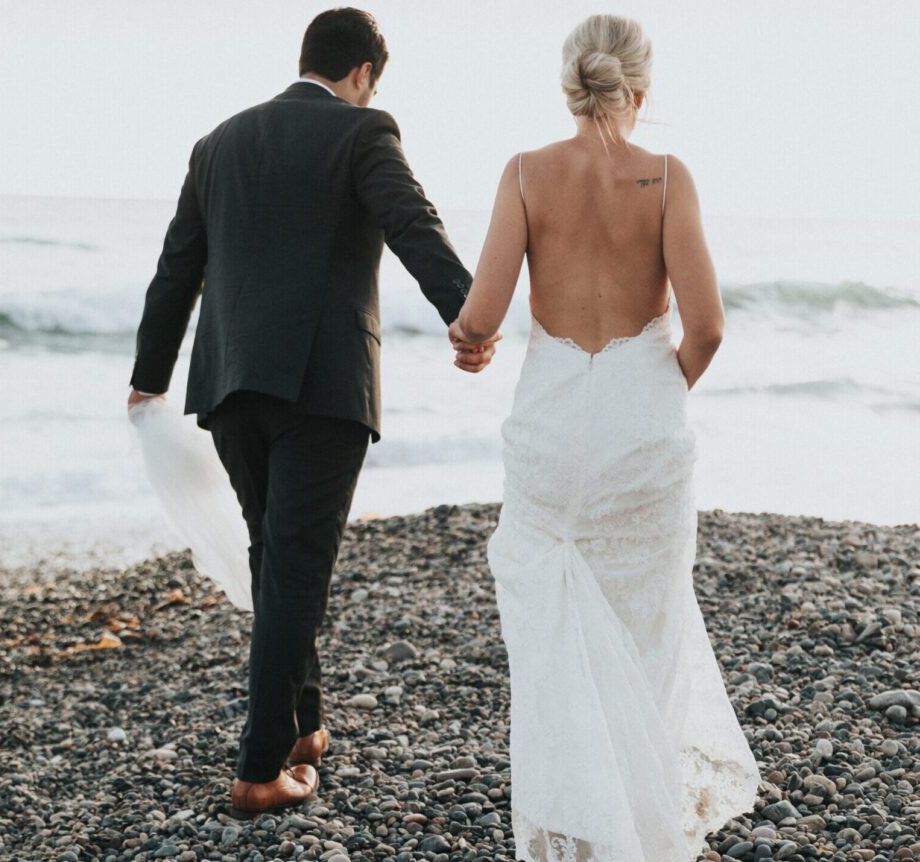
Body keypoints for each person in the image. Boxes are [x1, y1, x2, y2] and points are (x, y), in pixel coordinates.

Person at [126, 8, 498, 816]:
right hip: (322, 387)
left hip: (228, 386)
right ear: (363, 74)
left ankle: (303, 728)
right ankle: (259, 772)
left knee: (276, 553)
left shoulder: (218, 142)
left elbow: (176, 267)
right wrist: (469, 317)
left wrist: (148, 375)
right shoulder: (364, 135)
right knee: (294, 565)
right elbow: (413, 225)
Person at [449, 14, 762, 861]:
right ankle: (642, 823)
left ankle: (572, 830)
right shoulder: (667, 179)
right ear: (640, 89)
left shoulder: (524, 174)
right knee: (647, 630)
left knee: (552, 645)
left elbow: (481, 314)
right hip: (643, 426)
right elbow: (707, 328)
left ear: (570, 84)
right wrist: (653, 391)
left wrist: (468, 342)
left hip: (553, 426)